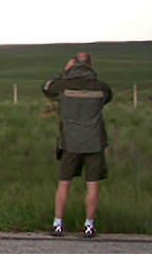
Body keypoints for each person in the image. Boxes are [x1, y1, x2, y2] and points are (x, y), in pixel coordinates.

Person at [41, 51, 113, 238]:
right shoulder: (102, 87)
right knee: (92, 184)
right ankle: (89, 225)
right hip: (94, 143)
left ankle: (58, 224)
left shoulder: (63, 86)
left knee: (64, 183)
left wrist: (63, 72)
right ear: (91, 64)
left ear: (73, 65)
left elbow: (46, 86)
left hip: (70, 143)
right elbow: (108, 98)